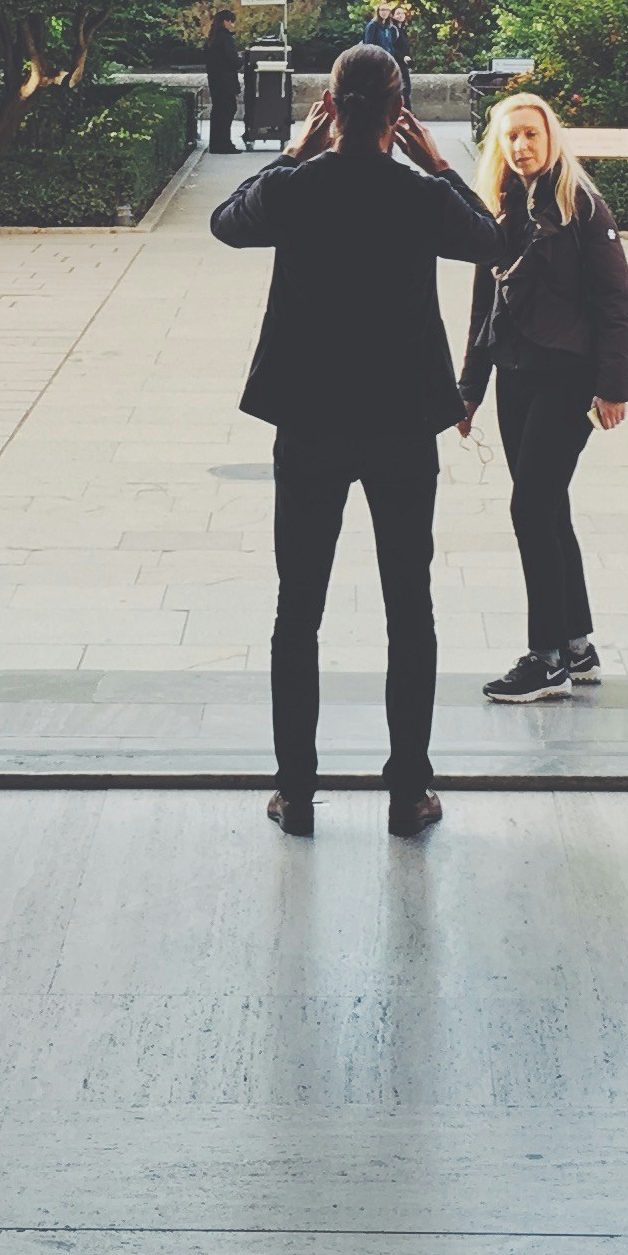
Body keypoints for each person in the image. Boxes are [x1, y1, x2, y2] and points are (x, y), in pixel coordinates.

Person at [208, 41, 510, 838]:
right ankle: (408, 793)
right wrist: (441, 167)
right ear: (399, 114)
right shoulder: (419, 197)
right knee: (409, 609)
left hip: (310, 420)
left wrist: (291, 152)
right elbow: (499, 245)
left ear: (332, 106)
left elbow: (225, 223)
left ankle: (297, 794)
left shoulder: (299, 188)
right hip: (402, 423)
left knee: (296, 611)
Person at [455, 90, 628, 703]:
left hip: (569, 377)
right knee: (547, 506)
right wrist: (470, 389)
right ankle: (578, 645)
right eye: (511, 136)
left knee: (529, 507)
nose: (522, 145)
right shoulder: (499, 208)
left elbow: (617, 305)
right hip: (515, 374)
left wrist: (614, 387)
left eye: (532, 133)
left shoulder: (580, 204)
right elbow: (486, 304)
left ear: (551, 137)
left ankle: (547, 658)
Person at [202, 11, 243, 155]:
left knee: (218, 111)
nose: (232, 25)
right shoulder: (226, 39)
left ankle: (216, 143)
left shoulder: (212, 39)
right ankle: (224, 144)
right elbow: (233, 61)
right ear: (225, 21)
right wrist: (242, 59)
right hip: (226, 82)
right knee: (228, 110)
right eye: (231, 21)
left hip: (215, 81)